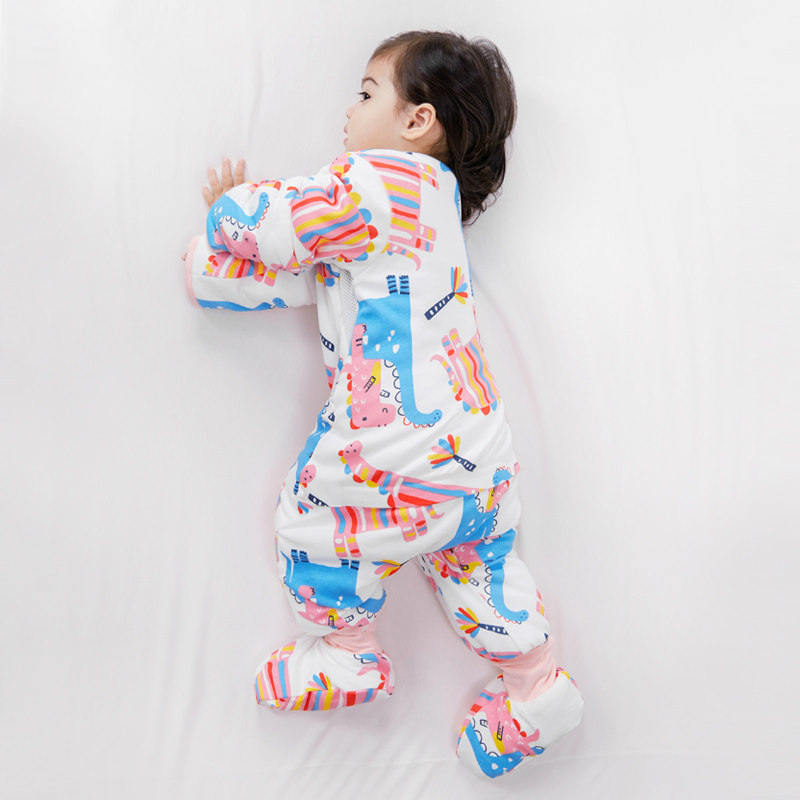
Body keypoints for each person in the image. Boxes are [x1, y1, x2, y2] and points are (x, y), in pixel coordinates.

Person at [183, 30, 583, 779]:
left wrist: (228, 214)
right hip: (478, 459)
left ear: (416, 121)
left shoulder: (372, 182)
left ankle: (347, 653)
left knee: (314, 521)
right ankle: (535, 685)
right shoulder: (432, 217)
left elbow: (277, 224)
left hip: (393, 449)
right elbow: (310, 277)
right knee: (478, 571)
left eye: (367, 93)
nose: (349, 110)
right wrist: (217, 269)